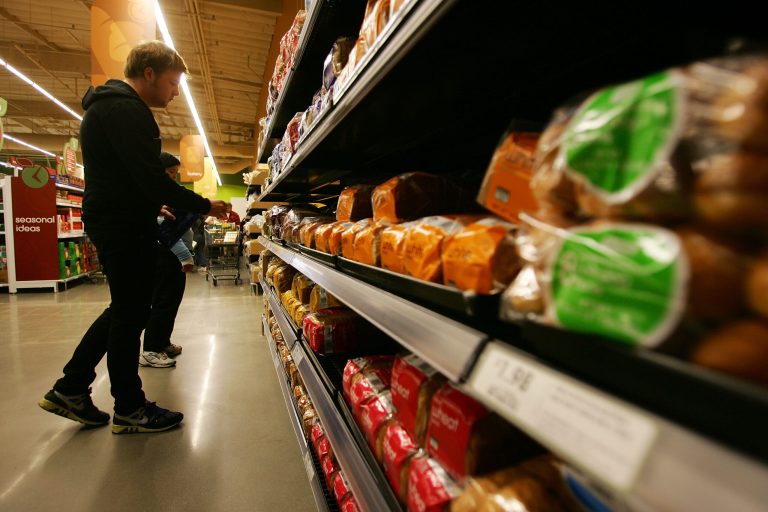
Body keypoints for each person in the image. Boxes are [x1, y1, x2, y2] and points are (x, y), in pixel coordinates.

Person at [38, 41, 227, 434]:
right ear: (149, 74)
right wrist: (205, 204)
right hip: (120, 224)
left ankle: (72, 386)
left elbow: (129, 176)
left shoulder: (110, 107)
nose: (175, 92)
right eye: (173, 83)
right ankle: (129, 407)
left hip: (119, 218)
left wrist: (152, 203)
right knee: (130, 312)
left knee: (128, 308)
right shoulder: (125, 110)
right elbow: (150, 177)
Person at [140, 152, 193, 368]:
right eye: (170, 173)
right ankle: (150, 350)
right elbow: (164, 232)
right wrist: (185, 256)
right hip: (164, 256)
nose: (173, 178)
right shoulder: (154, 195)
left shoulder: (164, 193)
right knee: (163, 302)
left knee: (172, 301)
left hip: (172, 257)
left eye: (175, 174)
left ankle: (162, 342)